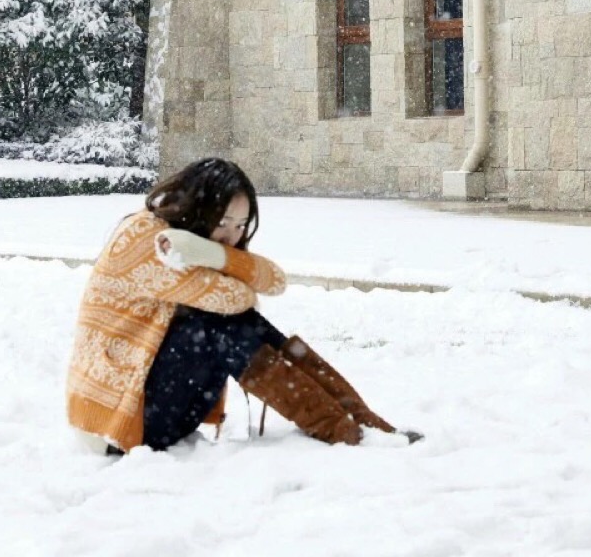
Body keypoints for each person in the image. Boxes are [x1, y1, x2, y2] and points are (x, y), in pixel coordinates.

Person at [66, 157, 418, 454]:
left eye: (240, 225)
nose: (232, 236)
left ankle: (360, 422)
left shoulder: (194, 243)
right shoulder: (148, 239)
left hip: (156, 406)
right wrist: (229, 268)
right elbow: (234, 297)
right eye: (222, 223)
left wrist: (214, 253)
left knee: (239, 322)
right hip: (115, 423)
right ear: (196, 208)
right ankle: (345, 432)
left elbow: (275, 280)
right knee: (220, 322)